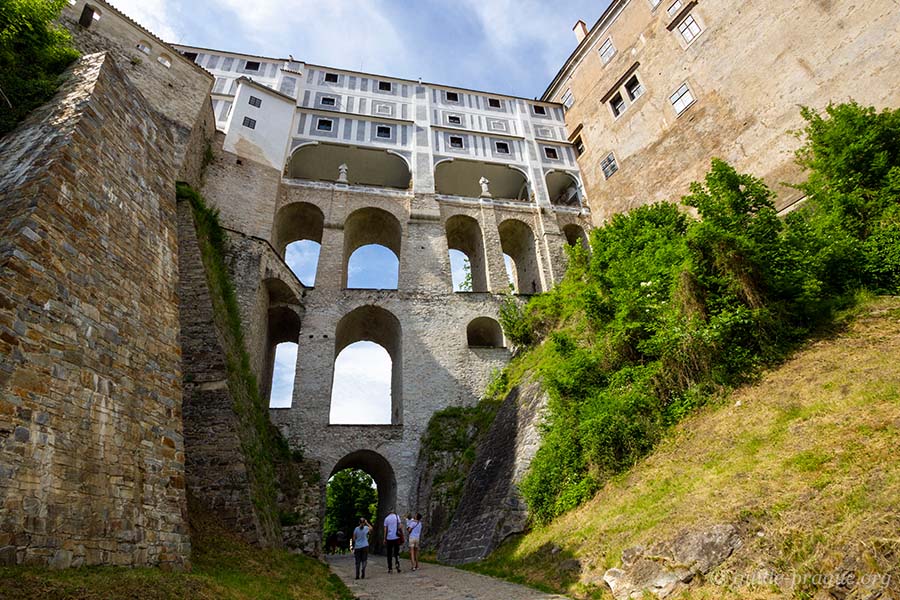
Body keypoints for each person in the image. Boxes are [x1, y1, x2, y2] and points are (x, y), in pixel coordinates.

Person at [383, 508, 403, 573]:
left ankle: (390, 568)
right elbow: (400, 526)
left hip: (389, 538)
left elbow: (385, 529)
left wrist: (384, 538)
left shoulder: (386, 518)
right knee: (396, 553)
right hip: (396, 537)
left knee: (389, 553)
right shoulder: (397, 517)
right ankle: (397, 565)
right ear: (394, 511)